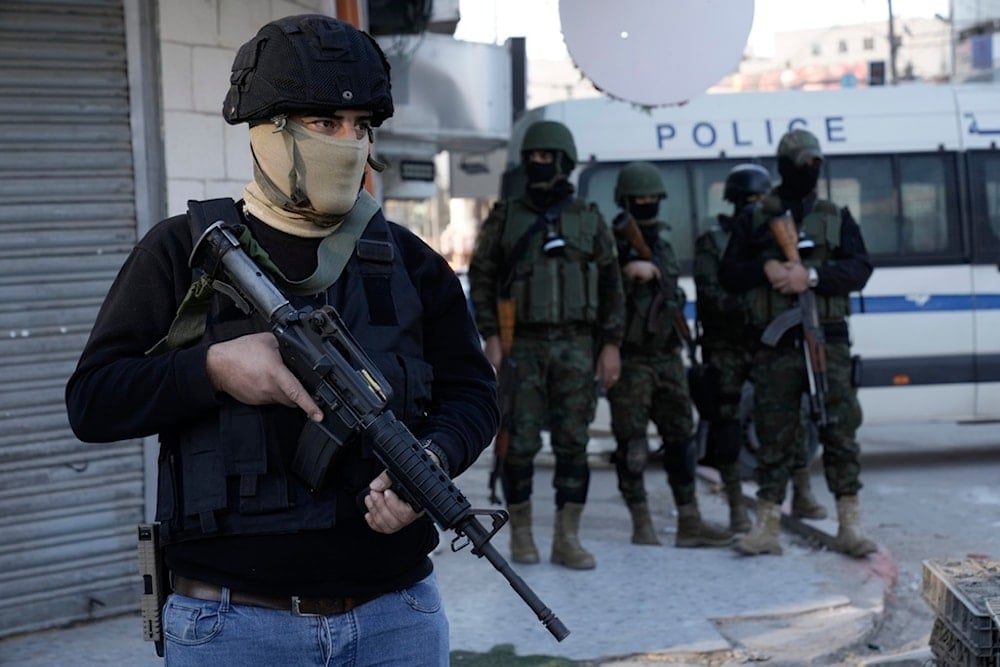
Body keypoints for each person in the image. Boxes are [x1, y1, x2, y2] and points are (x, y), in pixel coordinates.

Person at [65, 15, 498, 666]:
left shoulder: (407, 260)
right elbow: (92, 401)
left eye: (361, 127)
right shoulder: (182, 253)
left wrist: (430, 463)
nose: (348, 143)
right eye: (325, 123)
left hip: (396, 617)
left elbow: (474, 394)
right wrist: (211, 369)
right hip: (234, 623)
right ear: (268, 133)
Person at [467, 120, 624, 570]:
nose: (538, 165)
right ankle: (521, 535)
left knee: (574, 443)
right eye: (532, 158)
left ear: (563, 162)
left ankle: (566, 538)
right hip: (523, 348)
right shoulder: (506, 216)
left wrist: (611, 345)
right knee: (519, 444)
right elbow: (482, 277)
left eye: (545, 158)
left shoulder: (590, 219)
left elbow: (612, 287)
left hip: (578, 345)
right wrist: (492, 336)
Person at [719, 128, 877, 558]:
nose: (809, 170)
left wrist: (809, 277)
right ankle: (766, 525)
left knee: (839, 429)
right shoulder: (755, 218)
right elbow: (728, 273)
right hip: (777, 345)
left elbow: (860, 268)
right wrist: (767, 267)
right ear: (784, 166)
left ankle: (850, 523)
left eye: (815, 164)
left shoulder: (836, 216)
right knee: (774, 434)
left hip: (827, 340)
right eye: (802, 163)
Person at [693, 163, 828, 534]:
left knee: (791, 415)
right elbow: (712, 292)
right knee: (727, 424)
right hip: (727, 346)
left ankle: (802, 490)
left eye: (758, 199)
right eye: (746, 200)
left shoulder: (772, 235)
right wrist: (752, 304)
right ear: (734, 202)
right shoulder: (714, 241)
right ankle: (737, 504)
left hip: (770, 341)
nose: (753, 207)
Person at [606, 161, 733, 548]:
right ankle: (641, 522)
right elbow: (600, 295)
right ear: (625, 201)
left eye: (652, 198)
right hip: (631, 359)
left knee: (681, 440)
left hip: (666, 356)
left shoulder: (661, 244)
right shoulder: (609, 245)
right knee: (631, 445)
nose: (647, 205)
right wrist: (626, 271)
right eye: (639, 199)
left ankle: (689, 521)